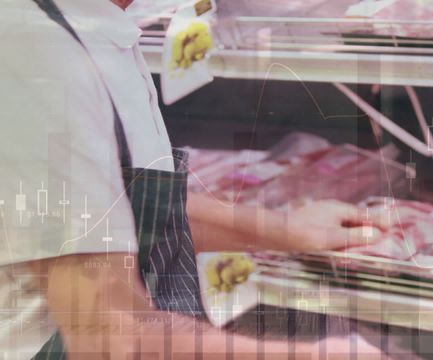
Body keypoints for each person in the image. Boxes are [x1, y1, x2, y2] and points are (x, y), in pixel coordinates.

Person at [0, 0, 389, 358]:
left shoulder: (95, 30)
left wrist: (286, 230)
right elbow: (107, 335)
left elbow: (126, 208)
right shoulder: (38, 55)